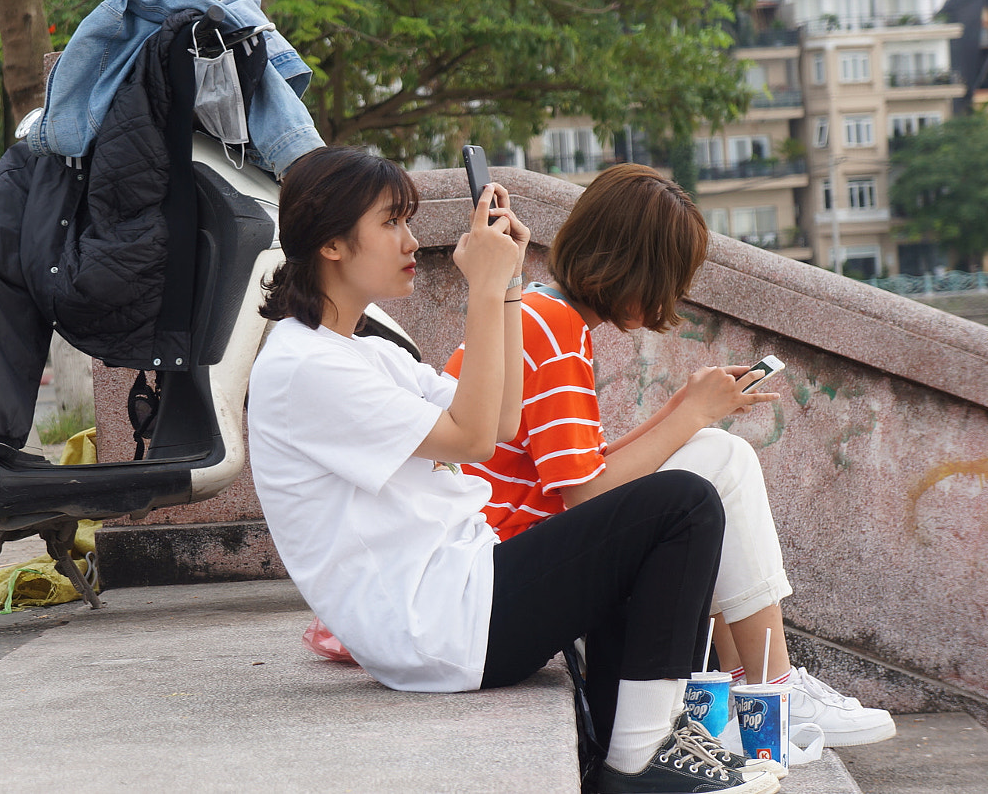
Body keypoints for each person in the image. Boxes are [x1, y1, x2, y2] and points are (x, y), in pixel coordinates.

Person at [246, 146, 780, 794]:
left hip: (458, 599)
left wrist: (509, 287)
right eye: (391, 223)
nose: (413, 240)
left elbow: (496, 420)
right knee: (683, 505)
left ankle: (633, 740)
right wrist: (486, 287)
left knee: (651, 513)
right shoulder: (307, 367)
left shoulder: (356, 354)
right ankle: (641, 756)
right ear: (332, 242)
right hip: (440, 621)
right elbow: (473, 437)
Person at [443, 163, 895, 749]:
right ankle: (774, 690)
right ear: (638, 269)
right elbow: (585, 494)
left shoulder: (537, 311)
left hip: (509, 553)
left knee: (712, 451)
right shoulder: (550, 330)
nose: (675, 295)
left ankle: (754, 688)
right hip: (508, 567)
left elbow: (581, 469)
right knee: (723, 460)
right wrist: (692, 415)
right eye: (673, 275)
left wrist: (682, 407)